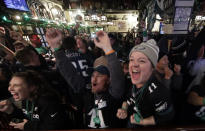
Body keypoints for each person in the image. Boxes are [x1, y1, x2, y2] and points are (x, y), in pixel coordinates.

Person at [46, 29, 125, 128]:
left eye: (99, 75)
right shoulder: (88, 93)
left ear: (109, 80)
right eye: (92, 75)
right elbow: (70, 73)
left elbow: (116, 74)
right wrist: (56, 48)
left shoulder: (114, 95)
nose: (94, 79)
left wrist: (107, 48)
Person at [116, 39, 175, 127]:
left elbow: (166, 116)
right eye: (131, 60)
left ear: (152, 67)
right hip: (132, 124)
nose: (134, 64)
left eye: (142, 61)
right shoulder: (134, 82)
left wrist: (143, 122)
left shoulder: (159, 92)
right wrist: (124, 109)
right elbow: (128, 99)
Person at [0, 70, 70, 130]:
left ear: (32, 87)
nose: (10, 88)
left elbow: (55, 127)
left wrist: (27, 126)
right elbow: (28, 117)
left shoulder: (48, 102)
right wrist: (11, 110)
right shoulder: (26, 99)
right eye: (10, 85)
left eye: (16, 85)